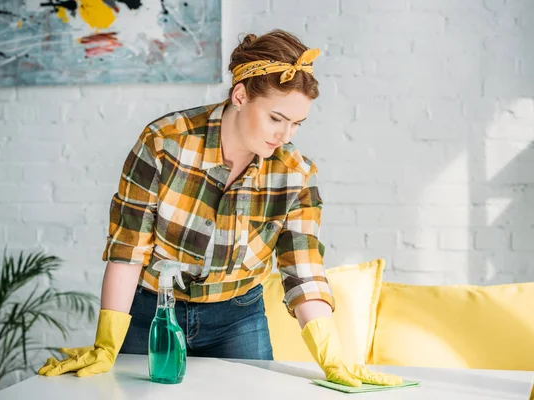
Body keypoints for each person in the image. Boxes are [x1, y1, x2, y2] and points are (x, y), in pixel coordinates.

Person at [38, 29, 402, 388]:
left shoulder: (296, 174)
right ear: (240, 95)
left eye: (296, 123)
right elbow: (127, 250)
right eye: (276, 118)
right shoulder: (164, 143)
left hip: (238, 318)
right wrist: (106, 344)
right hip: (152, 313)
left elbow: (302, 269)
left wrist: (332, 356)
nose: (286, 136)